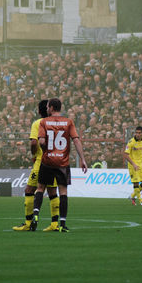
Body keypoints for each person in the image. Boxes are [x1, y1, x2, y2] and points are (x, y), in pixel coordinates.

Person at [31, 98, 88, 232]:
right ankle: (62, 224)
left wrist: (47, 150)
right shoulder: (69, 122)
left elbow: (42, 142)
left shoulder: (44, 122)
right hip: (63, 163)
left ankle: (36, 215)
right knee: (63, 192)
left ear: (51, 108)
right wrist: (83, 160)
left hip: (47, 162)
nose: (46, 109)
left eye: (48, 107)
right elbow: (76, 141)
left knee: (40, 188)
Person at [13, 100, 60, 232]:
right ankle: (55, 224)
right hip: (56, 161)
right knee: (52, 192)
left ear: (39, 111)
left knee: (29, 190)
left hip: (41, 161)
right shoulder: (58, 123)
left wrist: (34, 155)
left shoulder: (38, 123)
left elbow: (34, 143)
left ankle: (28, 223)